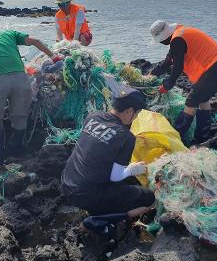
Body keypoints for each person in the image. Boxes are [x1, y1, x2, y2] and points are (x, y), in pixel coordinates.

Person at [0, 18, 63, 165]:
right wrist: (53, 56)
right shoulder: (9, 34)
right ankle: (17, 151)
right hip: (21, 80)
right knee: (19, 116)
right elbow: (36, 41)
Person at [61, 88, 155, 235]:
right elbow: (115, 177)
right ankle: (98, 220)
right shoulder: (126, 137)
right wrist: (131, 169)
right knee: (149, 198)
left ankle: (99, 208)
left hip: (67, 183)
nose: (136, 118)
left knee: (121, 182)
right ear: (130, 111)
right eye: (136, 114)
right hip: (86, 195)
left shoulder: (93, 116)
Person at [148, 20, 217, 143]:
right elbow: (169, 61)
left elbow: (177, 67)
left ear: (164, 36)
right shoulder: (179, 34)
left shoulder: (177, 40)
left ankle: (176, 137)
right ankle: (203, 136)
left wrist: (168, 84)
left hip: (214, 67)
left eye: (160, 40)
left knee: (191, 101)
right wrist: (152, 74)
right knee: (202, 99)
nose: (161, 43)